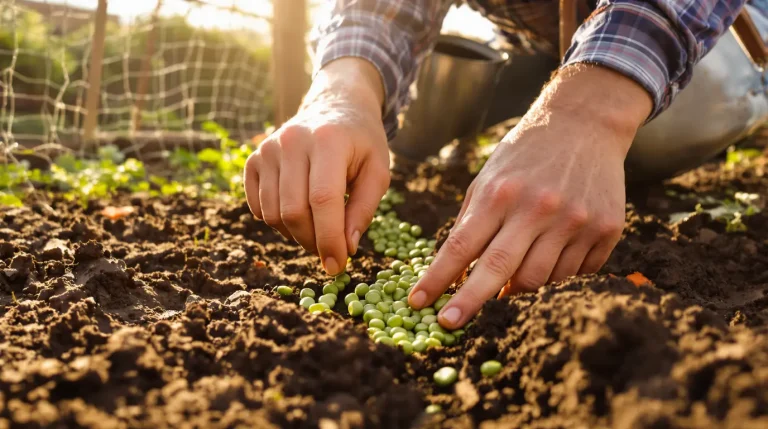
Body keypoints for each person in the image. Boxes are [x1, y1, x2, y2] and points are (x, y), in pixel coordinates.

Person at [244, 0, 768, 330]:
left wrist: (592, 113)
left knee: (670, 124)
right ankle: (557, 83)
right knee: (439, 90)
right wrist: (344, 89)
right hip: (547, 40)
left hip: (711, 28)